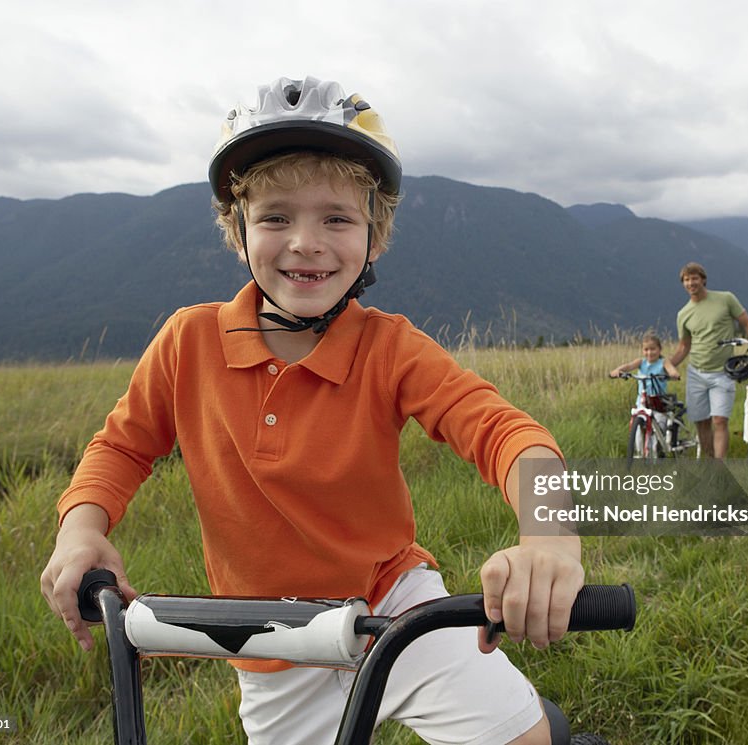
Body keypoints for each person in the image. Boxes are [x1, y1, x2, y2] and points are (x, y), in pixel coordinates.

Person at [39, 76, 583, 745]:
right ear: (237, 233)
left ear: (373, 238)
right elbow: (121, 447)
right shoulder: (188, 341)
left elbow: (506, 432)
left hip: (393, 605)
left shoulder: (390, 347)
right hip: (271, 645)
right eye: (275, 217)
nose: (305, 241)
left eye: (337, 217)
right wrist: (81, 531)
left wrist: (550, 538)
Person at [668, 262, 748, 459]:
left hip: (722, 372)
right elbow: (684, 347)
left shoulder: (725, 299)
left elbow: (747, 322)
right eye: (686, 280)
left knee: (719, 420)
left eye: (694, 278)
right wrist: (666, 365)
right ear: (683, 284)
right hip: (696, 373)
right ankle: (709, 462)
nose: (690, 283)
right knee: (701, 422)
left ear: (703, 279)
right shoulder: (683, 314)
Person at [608, 332, 681, 397]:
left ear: (660, 349)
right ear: (642, 351)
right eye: (646, 350)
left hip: (659, 400)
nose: (649, 352)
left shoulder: (663, 362)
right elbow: (628, 366)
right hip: (642, 400)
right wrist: (618, 370)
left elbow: (671, 370)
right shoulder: (641, 362)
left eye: (653, 349)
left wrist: (673, 374)